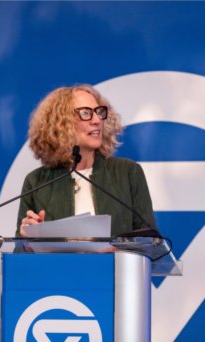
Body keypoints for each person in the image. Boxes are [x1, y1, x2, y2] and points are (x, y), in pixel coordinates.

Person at [16, 84, 156, 237]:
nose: (97, 120)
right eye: (85, 113)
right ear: (61, 123)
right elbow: (20, 253)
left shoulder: (128, 173)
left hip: (114, 262)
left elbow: (150, 244)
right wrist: (26, 241)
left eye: (99, 112)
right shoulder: (36, 183)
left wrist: (120, 248)